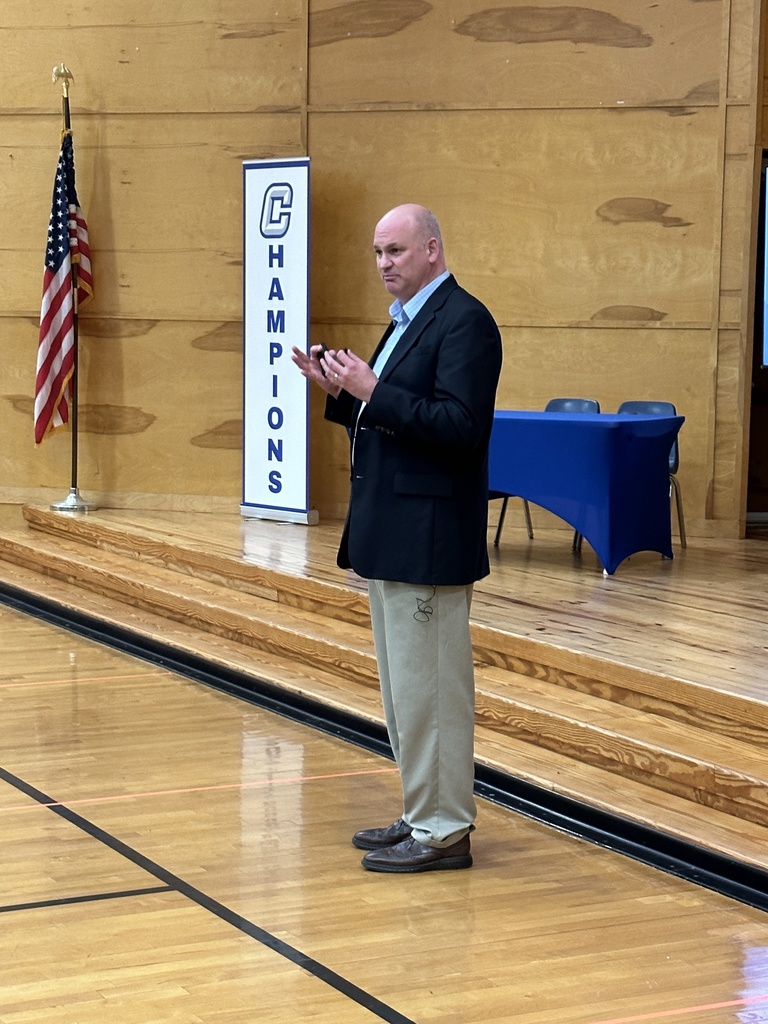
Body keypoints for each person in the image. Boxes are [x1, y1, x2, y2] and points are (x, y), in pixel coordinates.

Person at [291, 203, 502, 873]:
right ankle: (422, 812)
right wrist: (341, 389)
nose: (384, 264)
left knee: (433, 693)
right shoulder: (406, 323)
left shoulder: (466, 322)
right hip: (394, 535)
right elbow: (389, 415)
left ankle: (443, 831)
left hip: (430, 539)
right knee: (406, 693)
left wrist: (373, 389)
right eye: (378, 253)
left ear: (432, 250)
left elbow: (459, 429)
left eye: (396, 251)